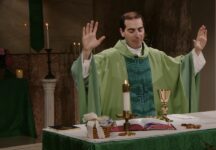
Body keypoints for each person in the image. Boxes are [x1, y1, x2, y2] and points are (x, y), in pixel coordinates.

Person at [72, 11, 207, 119]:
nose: (137, 35)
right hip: (119, 129)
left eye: (140, 29)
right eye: (131, 31)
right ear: (122, 32)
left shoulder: (156, 56)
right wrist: (86, 51)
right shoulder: (108, 57)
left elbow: (181, 69)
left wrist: (197, 51)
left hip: (153, 126)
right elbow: (83, 75)